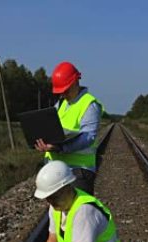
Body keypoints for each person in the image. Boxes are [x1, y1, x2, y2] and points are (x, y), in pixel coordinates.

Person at [34, 61, 102, 194]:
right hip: (57, 170)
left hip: (78, 171)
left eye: (66, 90)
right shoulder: (61, 104)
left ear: (76, 82)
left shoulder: (89, 104)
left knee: (79, 212)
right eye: (60, 92)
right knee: (59, 213)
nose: (63, 94)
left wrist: (61, 148)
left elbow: (88, 137)